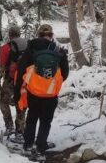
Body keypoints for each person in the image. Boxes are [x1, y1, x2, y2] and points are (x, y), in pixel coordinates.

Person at [15, 24, 69, 154]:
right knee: (46, 121)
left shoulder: (31, 49)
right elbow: (65, 74)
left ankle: (28, 144)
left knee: (32, 118)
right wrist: (52, 82)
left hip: (33, 92)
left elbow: (21, 70)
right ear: (51, 35)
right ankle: (41, 145)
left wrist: (18, 92)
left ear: (38, 34)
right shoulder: (57, 50)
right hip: (50, 94)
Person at [0, 26, 28, 140]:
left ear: (9, 35)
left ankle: (9, 126)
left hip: (10, 80)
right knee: (21, 103)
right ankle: (20, 129)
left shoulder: (5, 48)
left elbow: (1, 67)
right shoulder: (28, 45)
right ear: (19, 34)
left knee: (2, 101)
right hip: (25, 80)